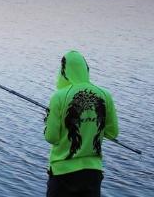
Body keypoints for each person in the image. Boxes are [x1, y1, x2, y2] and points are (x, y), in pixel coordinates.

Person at [44, 50, 119, 197]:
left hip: (62, 173)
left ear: (64, 71)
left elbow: (51, 137)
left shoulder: (59, 97)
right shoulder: (105, 95)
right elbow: (112, 133)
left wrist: (48, 120)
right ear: (86, 69)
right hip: (92, 174)